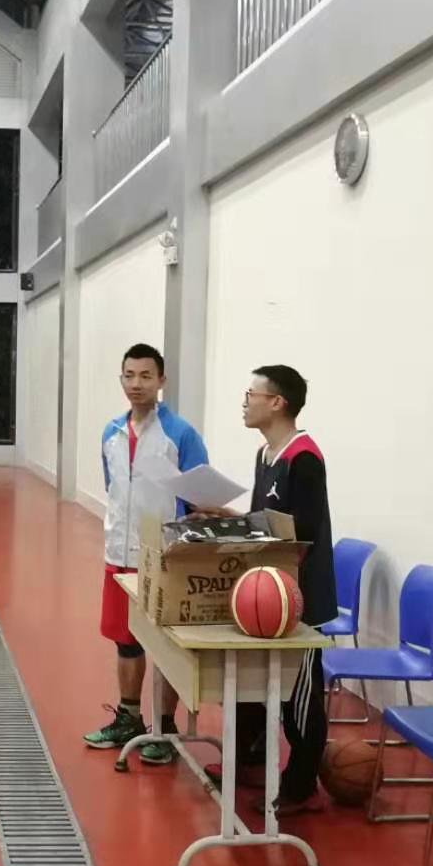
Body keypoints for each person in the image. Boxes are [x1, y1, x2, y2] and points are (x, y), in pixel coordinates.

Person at [214, 365, 338, 815]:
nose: (245, 402)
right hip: (266, 593)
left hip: (299, 599)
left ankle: (303, 786)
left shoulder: (303, 458)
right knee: (253, 681)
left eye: (251, 394)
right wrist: (226, 519)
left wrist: (249, 528)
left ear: (277, 402)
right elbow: (263, 523)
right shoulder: (265, 454)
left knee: (299, 696)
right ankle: (250, 760)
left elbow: (300, 533)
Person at [82, 344, 208, 765]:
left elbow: (200, 498)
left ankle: (164, 728)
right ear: (122, 378)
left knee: (168, 647)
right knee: (125, 640)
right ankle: (129, 718)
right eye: (129, 375)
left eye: (145, 376)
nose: (136, 384)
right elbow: (114, 489)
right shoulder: (110, 433)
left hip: (165, 558)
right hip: (119, 554)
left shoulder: (181, 435)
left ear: (161, 381)